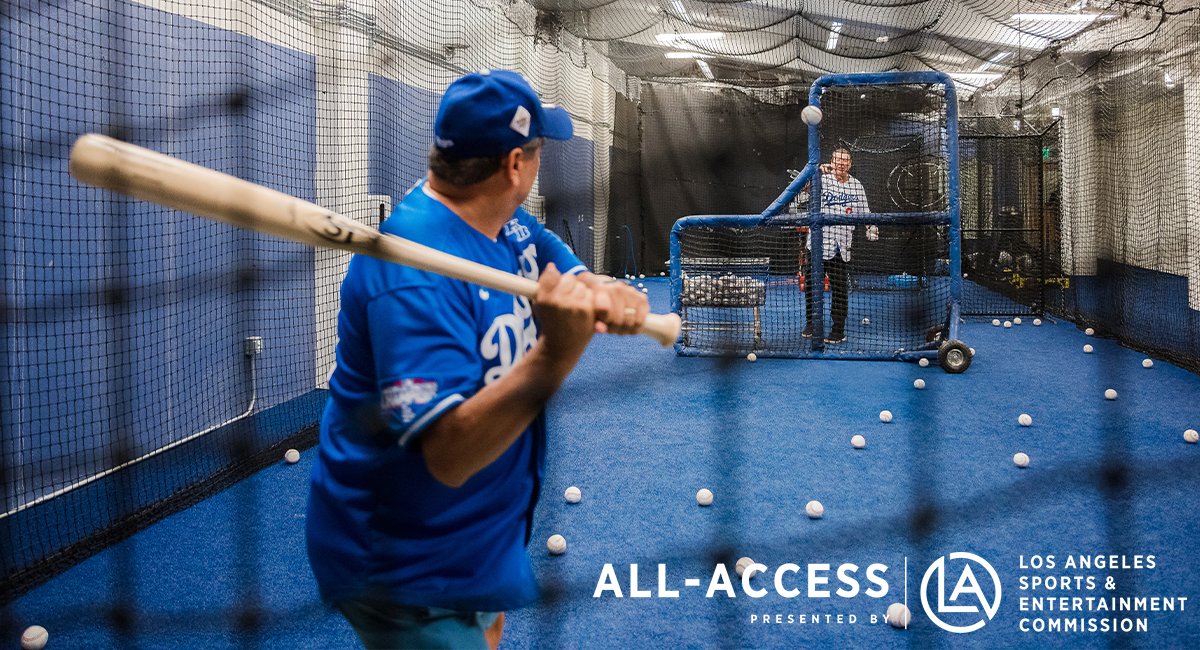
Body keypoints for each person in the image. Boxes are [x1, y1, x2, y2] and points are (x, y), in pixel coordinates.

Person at [305, 69, 649, 649]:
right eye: (539, 151)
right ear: (515, 164)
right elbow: (448, 452)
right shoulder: (413, 270)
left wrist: (593, 284)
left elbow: (544, 250)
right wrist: (555, 356)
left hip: (478, 535)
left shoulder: (500, 219)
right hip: (405, 562)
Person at [796, 147, 876, 343]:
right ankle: (812, 323)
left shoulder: (857, 186)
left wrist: (871, 227)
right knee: (812, 287)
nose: (841, 163)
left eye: (845, 161)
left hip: (842, 246)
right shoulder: (820, 179)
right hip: (816, 244)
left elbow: (865, 212)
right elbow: (799, 195)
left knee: (839, 290)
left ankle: (838, 329)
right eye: (837, 160)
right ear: (831, 161)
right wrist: (812, 175)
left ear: (850, 164)